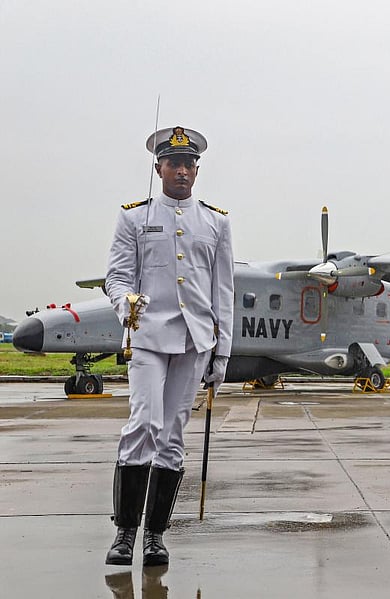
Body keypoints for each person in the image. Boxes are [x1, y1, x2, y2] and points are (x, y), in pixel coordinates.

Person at [104, 126, 234, 566]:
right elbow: (117, 276)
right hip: (148, 335)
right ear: (158, 167)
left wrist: (223, 351)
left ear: (197, 170)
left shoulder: (216, 222)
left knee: (173, 435)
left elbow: (223, 292)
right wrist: (126, 305)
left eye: (188, 163)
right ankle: (124, 533)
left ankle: (155, 536)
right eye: (173, 162)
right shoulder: (134, 217)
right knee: (144, 423)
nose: (181, 170)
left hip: (195, 339)